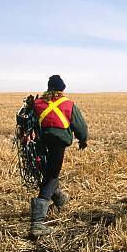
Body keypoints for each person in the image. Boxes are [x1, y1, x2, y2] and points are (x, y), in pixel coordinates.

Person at [30, 75, 88, 237]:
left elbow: (30, 124)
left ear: (49, 88)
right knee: (52, 175)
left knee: (48, 172)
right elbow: (80, 125)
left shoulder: (37, 103)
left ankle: (59, 198)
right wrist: (83, 140)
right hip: (58, 143)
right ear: (62, 89)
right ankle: (37, 223)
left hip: (40, 144)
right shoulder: (68, 104)